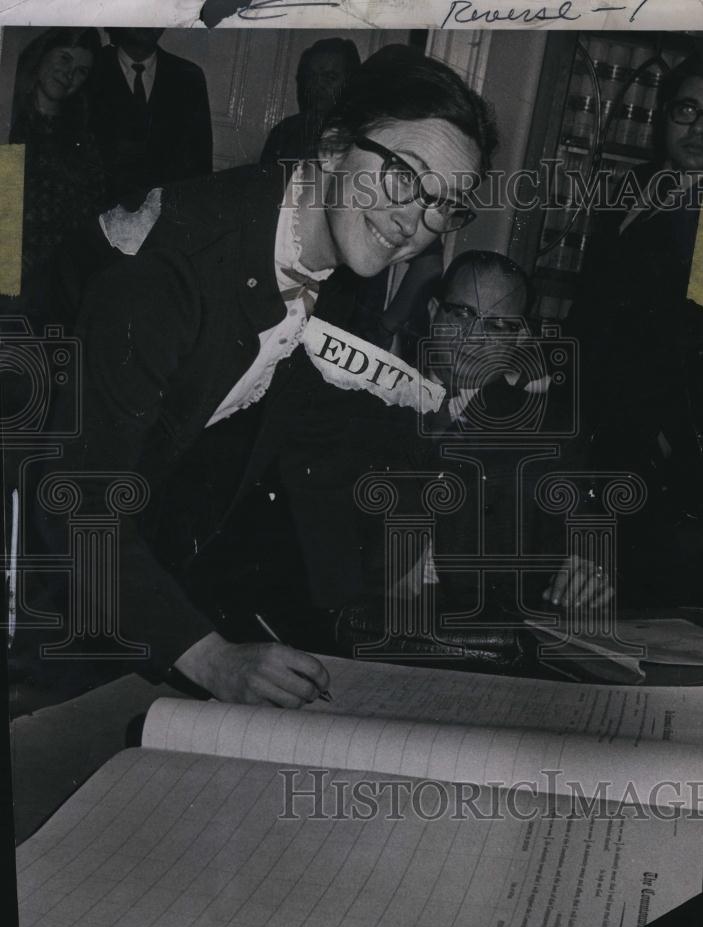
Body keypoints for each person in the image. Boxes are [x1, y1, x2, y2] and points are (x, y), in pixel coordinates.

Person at [33, 46, 496, 708]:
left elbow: (311, 444)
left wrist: (376, 610)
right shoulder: (174, 265)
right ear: (334, 147)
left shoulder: (332, 257)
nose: (414, 223)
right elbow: (76, 502)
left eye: (445, 206)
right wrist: (213, 659)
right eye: (402, 177)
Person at [567, 44, 703, 607]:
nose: (699, 128)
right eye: (686, 111)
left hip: (680, 463)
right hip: (604, 429)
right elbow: (591, 308)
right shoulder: (633, 189)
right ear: (664, 117)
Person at [400, 250, 613, 614]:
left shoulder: (552, 432)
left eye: (498, 326)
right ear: (434, 311)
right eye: (463, 313)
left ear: (517, 341)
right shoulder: (368, 397)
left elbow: (584, 538)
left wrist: (589, 573)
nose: (473, 337)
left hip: (483, 633)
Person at [9, 28, 106, 288]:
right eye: (65, 58)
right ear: (43, 54)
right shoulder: (10, 119)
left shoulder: (83, 140)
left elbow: (88, 217)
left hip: (50, 279)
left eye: (82, 71)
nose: (70, 73)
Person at [89, 28, 213, 208]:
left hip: (164, 220)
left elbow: (200, 165)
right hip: (96, 216)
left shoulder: (189, 77)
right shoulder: (88, 66)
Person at [260, 37, 360, 167]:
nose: (317, 85)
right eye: (311, 76)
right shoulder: (285, 131)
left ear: (350, 82)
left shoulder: (362, 134)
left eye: (330, 77)